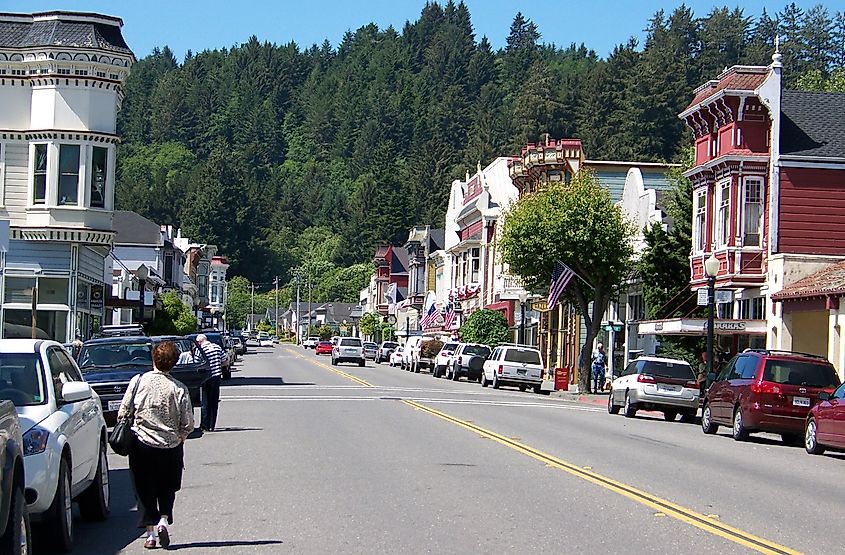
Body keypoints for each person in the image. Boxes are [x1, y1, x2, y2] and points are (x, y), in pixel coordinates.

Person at [118, 341, 194, 550]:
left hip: (142, 444)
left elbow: (123, 412)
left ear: (153, 359)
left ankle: (150, 535)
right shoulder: (179, 388)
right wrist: (179, 437)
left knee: (144, 489)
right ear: (174, 363)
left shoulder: (138, 382)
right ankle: (163, 521)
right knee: (167, 487)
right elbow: (188, 423)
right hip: (170, 446)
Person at [197, 334, 224, 432]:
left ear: (200, 341)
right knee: (214, 401)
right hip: (216, 376)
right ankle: (212, 425)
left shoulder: (201, 349)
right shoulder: (217, 347)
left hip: (206, 377)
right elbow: (224, 359)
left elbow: (197, 361)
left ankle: (204, 425)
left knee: (205, 402)